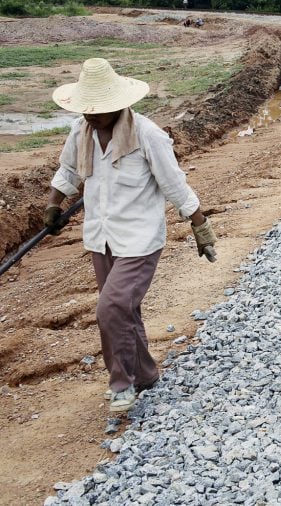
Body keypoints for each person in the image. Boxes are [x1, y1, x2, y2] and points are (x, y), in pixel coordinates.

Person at [43, 58, 217, 414]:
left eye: (98, 110)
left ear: (120, 104)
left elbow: (174, 184)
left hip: (139, 240)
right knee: (126, 311)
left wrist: (201, 227)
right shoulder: (81, 131)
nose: (91, 115)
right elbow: (69, 171)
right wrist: (53, 206)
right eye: (86, 109)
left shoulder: (147, 135)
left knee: (110, 308)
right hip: (101, 237)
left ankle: (121, 383)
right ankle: (146, 373)